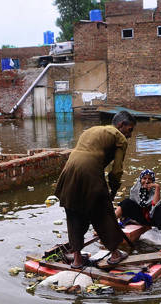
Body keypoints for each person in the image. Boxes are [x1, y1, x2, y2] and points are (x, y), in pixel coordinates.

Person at [54, 111, 137, 269]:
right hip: (89, 171)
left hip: (69, 169)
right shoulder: (119, 137)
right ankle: (115, 253)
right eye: (130, 129)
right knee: (103, 213)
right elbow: (116, 170)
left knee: (74, 212)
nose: (130, 135)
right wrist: (113, 188)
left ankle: (77, 259)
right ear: (121, 125)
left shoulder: (93, 130)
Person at [115, 169, 161, 242]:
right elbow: (132, 206)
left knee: (157, 208)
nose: (146, 181)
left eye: (149, 179)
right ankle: (111, 221)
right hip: (139, 217)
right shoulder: (135, 189)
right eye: (144, 178)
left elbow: (155, 205)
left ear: (152, 181)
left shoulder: (154, 191)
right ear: (140, 179)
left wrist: (157, 187)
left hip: (152, 219)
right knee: (126, 202)